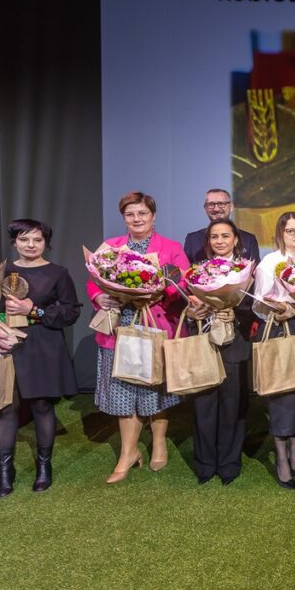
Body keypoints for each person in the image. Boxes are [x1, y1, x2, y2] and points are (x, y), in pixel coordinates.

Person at [87, 192, 190, 483]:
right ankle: (128, 452)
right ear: (124, 218)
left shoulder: (170, 248)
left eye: (143, 213)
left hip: (157, 324)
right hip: (119, 328)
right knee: (122, 389)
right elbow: (92, 281)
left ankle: (158, 443)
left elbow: (182, 284)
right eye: (131, 214)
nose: (137, 219)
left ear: (153, 216)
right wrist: (101, 296)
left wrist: (161, 291)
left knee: (155, 387)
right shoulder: (111, 248)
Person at [0, 219, 80, 498]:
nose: (31, 245)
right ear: (14, 242)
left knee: (42, 406)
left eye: (37, 240)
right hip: (5, 343)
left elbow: (72, 312)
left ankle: (43, 468)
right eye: (24, 240)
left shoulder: (58, 273)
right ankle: (5, 473)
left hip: (43, 345)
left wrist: (33, 310)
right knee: (6, 408)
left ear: (46, 243)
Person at [252, 212, 295, 490]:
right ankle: (281, 460)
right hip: (280, 330)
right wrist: (280, 310)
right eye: (290, 230)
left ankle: (294, 455)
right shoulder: (270, 263)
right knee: (283, 395)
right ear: (280, 233)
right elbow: (258, 304)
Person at [185, 219, 254, 485]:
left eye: (226, 236)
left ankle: (228, 462)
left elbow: (254, 308)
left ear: (236, 239)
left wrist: (234, 312)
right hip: (204, 345)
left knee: (231, 406)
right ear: (209, 241)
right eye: (215, 237)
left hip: (235, 345)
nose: (220, 241)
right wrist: (193, 312)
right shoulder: (197, 272)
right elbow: (188, 308)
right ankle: (205, 463)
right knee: (204, 405)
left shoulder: (247, 272)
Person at [183, 188, 261, 264]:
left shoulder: (248, 239)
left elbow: (254, 272)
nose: (216, 209)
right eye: (211, 204)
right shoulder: (192, 239)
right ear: (205, 208)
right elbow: (186, 273)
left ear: (231, 206)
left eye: (221, 204)